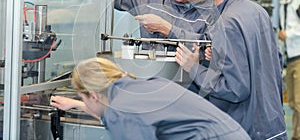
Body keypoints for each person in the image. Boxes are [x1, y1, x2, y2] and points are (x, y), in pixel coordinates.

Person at [175, 0, 287, 139]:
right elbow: (273, 63)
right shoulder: (257, 11)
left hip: (248, 130)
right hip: (273, 124)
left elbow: (235, 89)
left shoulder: (225, 23)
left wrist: (194, 67)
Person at [50, 57, 250, 140]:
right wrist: (76, 104)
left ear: (93, 95)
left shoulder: (121, 110)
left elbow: (121, 115)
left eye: (83, 99)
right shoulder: (148, 86)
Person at [276, 0, 300, 140]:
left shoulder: (297, 1)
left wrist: (288, 34)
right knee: (292, 102)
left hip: (299, 57)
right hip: (290, 58)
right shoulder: (283, 4)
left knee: (298, 102)